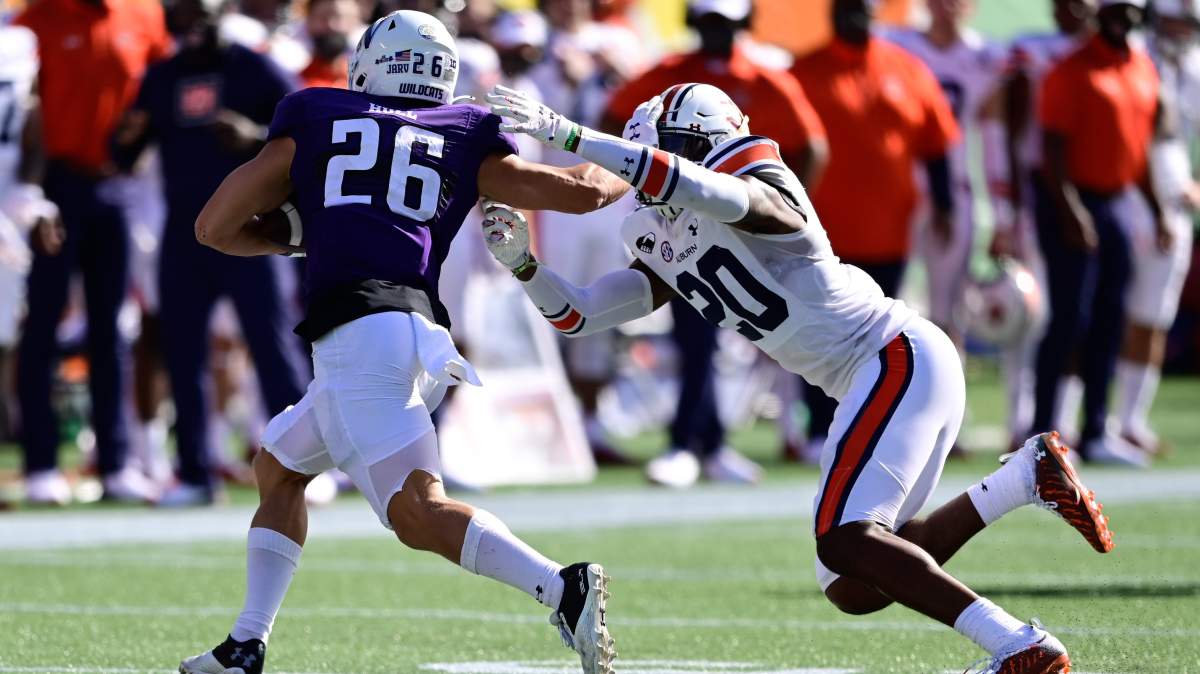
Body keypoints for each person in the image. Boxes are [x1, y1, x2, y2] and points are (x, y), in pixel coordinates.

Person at [482, 80, 1114, 673]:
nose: (638, 183)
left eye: (655, 153)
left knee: (846, 538)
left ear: (694, 143)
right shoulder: (660, 230)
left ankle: (1018, 644)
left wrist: (568, 134)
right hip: (869, 378)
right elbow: (581, 316)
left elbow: (705, 191)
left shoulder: (758, 175)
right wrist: (525, 265)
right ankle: (1022, 479)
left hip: (895, 357)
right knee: (851, 583)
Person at [178, 10, 629, 674]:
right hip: (398, 331)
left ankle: (563, 588)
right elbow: (583, 192)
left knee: (418, 514)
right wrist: (646, 162)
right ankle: (246, 643)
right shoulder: (465, 129)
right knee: (279, 468)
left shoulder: (315, 112)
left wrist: (300, 236)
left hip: (361, 336)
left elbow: (214, 226)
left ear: (369, 62)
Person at [602, 0, 828, 481]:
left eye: (724, 23)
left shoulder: (766, 76)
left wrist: (784, 210)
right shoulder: (668, 73)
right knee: (695, 337)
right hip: (685, 226)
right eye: (707, 22)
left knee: (766, 338)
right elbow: (616, 122)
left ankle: (731, 439)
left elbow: (811, 144)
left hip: (751, 228)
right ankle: (695, 442)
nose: (715, 34)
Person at [111, 0, 313, 506]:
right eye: (180, 9)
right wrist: (125, 136)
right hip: (186, 232)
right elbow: (126, 153)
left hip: (253, 228)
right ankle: (196, 471)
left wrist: (254, 137)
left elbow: (312, 135)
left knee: (272, 346)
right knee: (183, 352)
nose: (190, 17)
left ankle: (306, 467)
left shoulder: (255, 67)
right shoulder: (162, 75)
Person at [13, 0, 172, 504]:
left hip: (116, 185)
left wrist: (140, 139)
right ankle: (40, 465)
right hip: (52, 184)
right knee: (42, 324)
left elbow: (161, 84)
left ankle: (116, 463)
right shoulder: (36, 18)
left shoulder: (143, 13)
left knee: (112, 329)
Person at [789, 0, 959, 462]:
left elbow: (936, 142)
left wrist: (945, 204)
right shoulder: (803, 72)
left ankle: (868, 428)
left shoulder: (906, 68)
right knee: (820, 334)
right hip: (820, 234)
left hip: (889, 229)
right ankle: (818, 429)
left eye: (861, 8)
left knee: (878, 339)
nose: (853, 16)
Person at [1033, 0, 1166, 466]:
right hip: (1067, 199)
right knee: (1071, 319)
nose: (1121, 20)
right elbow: (1052, 149)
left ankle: (1095, 430)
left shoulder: (1142, 67)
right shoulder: (1070, 69)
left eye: (1129, 11)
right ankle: (1042, 433)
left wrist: (1157, 211)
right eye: (1114, 10)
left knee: (1110, 319)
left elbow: (1140, 150)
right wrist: (1072, 212)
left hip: (1115, 202)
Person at [1001, 0, 1098, 451]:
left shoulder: (1113, 52)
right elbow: (1011, 124)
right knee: (1033, 313)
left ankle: (1066, 419)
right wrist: (1014, 198)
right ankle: (1023, 418)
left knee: (1079, 313)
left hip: (1095, 188)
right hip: (1043, 190)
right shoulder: (1032, 50)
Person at [884, 0, 1009, 350]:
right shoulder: (896, 44)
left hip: (954, 189)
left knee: (948, 310)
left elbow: (994, 141)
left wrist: (1002, 214)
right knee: (882, 300)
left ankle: (947, 382)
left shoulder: (986, 57)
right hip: (900, 190)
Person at [1112, 0, 1198, 454]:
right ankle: (1080, 420)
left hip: (1173, 202)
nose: (1180, 32)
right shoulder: (1132, 58)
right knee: (1106, 313)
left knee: (1154, 316)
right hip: (1126, 197)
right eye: (1172, 22)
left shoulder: (1193, 70)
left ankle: (1130, 420)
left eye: (1187, 24)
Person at [298, 0, 365, 88]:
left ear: (355, 21)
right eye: (323, 18)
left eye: (339, 17)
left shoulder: (365, 80)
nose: (331, 25)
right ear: (309, 21)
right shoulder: (293, 79)